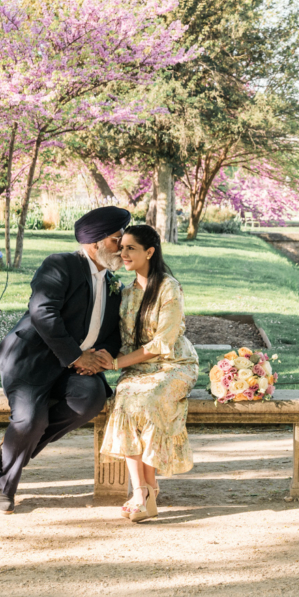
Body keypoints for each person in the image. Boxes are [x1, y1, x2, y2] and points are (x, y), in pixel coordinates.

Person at [0, 206, 130, 513]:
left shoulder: (113, 282)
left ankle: (10, 450)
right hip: (30, 361)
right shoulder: (60, 265)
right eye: (118, 239)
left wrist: (103, 358)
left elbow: (113, 334)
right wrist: (76, 356)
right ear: (96, 243)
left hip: (76, 367)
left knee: (91, 399)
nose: (123, 246)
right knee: (30, 420)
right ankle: (5, 488)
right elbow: (42, 312)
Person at [100, 223, 198, 522]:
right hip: (138, 367)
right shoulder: (126, 292)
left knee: (150, 399)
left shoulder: (169, 287)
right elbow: (126, 341)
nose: (122, 252)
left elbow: (162, 343)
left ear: (150, 252)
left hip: (174, 365)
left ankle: (148, 491)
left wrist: (117, 365)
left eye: (131, 248)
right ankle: (142, 490)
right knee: (126, 397)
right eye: (122, 246)